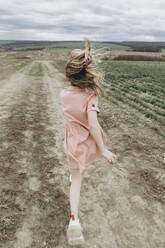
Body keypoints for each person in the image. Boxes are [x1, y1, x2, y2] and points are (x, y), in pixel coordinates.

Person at [59, 38, 117, 245]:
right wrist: (104, 150)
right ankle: (77, 174)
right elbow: (93, 125)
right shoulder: (91, 96)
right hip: (88, 143)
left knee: (75, 180)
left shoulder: (63, 94)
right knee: (78, 174)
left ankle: (74, 221)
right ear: (87, 74)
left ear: (68, 77)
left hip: (73, 144)